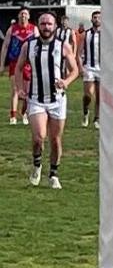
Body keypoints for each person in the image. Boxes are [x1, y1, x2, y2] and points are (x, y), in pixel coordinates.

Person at [13, 12, 78, 189]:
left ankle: (54, 174)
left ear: (55, 26)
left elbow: (75, 70)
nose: (46, 27)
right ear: (38, 25)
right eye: (43, 24)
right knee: (39, 137)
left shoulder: (63, 46)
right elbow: (18, 69)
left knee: (56, 139)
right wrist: (19, 89)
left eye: (49, 24)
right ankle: (37, 165)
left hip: (57, 100)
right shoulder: (29, 46)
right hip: (36, 99)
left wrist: (65, 82)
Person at [0, 7, 37, 124]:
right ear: (18, 16)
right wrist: (1, 64)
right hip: (15, 62)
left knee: (27, 91)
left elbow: (37, 47)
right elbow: (5, 46)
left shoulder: (33, 29)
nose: (23, 16)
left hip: (29, 63)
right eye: (21, 14)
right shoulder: (12, 29)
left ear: (29, 16)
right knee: (15, 89)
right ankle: (13, 116)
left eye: (25, 14)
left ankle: (24, 113)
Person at [78, 10, 101, 128]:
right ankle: (86, 112)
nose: (97, 19)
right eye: (95, 17)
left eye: (98, 17)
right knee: (88, 94)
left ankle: (97, 119)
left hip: (102, 68)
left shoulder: (107, 34)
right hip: (89, 67)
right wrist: (80, 67)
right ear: (91, 20)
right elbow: (78, 53)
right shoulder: (85, 34)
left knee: (100, 95)